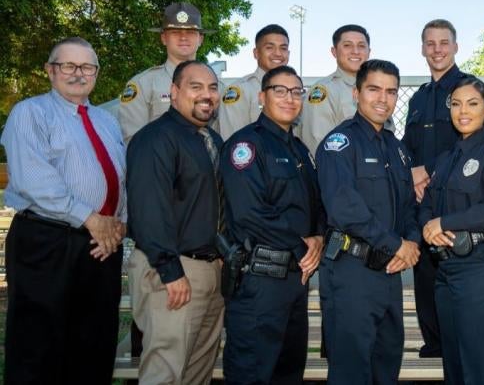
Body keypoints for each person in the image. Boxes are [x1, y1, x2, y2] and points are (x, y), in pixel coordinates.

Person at [1, 37, 126, 385]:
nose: (78, 74)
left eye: (87, 67)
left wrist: (117, 227)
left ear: (96, 73)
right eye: (68, 65)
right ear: (50, 70)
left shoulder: (107, 121)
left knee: (94, 344)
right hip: (47, 241)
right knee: (38, 346)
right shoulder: (30, 112)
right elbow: (34, 180)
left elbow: (120, 176)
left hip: (101, 246)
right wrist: (91, 219)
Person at [315, 59, 421, 385]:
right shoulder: (339, 145)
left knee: (386, 363)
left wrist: (413, 241)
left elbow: (408, 207)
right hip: (352, 272)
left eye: (391, 91)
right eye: (374, 89)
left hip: (389, 273)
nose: (383, 99)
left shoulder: (396, 148)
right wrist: (397, 245)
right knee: (351, 370)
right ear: (356, 92)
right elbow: (345, 209)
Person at [219, 65, 325, 384]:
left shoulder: (300, 149)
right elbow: (250, 213)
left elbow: (316, 202)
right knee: (252, 373)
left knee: (288, 373)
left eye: (296, 92)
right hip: (260, 282)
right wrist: (301, 246)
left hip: (295, 280)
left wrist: (318, 237)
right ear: (262, 97)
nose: (289, 98)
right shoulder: (246, 146)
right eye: (280, 90)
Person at [126, 60, 225, 384]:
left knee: (197, 371)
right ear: (174, 92)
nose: (206, 95)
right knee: (165, 371)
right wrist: (170, 271)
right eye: (196, 87)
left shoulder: (211, 140)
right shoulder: (155, 139)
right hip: (172, 270)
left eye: (212, 88)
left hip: (210, 271)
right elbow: (148, 210)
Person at [418, 75, 484, 385]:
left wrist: (445, 223)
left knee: (478, 364)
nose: (463, 111)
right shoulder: (445, 159)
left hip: (483, 268)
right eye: (457, 104)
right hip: (447, 270)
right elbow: (427, 204)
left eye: (473, 103)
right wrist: (427, 226)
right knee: (455, 366)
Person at [402, 18, 468, 359]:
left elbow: (469, 143)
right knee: (425, 282)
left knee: (456, 285)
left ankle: (456, 354)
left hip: (457, 206)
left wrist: (424, 170)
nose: (437, 49)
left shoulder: (469, 90)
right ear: (422, 49)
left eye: (444, 42)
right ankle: (433, 351)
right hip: (421, 205)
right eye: (430, 43)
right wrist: (408, 174)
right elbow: (407, 147)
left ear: (456, 47)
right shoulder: (418, 98)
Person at [118, 1, 215, 143]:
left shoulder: (218, 87)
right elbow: (133, 142)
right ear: (164, 38)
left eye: (190, 32)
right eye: (175, 32)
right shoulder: (142, 84)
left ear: (200, 39)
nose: (183, 37)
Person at [299, 24, 386, 154]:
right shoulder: (324, 91)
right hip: (344, 171)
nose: (355, 51)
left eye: (361, 46)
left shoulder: (380, 91)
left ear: (369, 52)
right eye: (347, 45)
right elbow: (319, 146)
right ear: (334, 52)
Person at [218, 24, 291, 139]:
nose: (278, 53)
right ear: (256, 53)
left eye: (283, 48)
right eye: (269, 47)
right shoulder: (240, 91)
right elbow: (234, 141)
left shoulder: (295, 93)